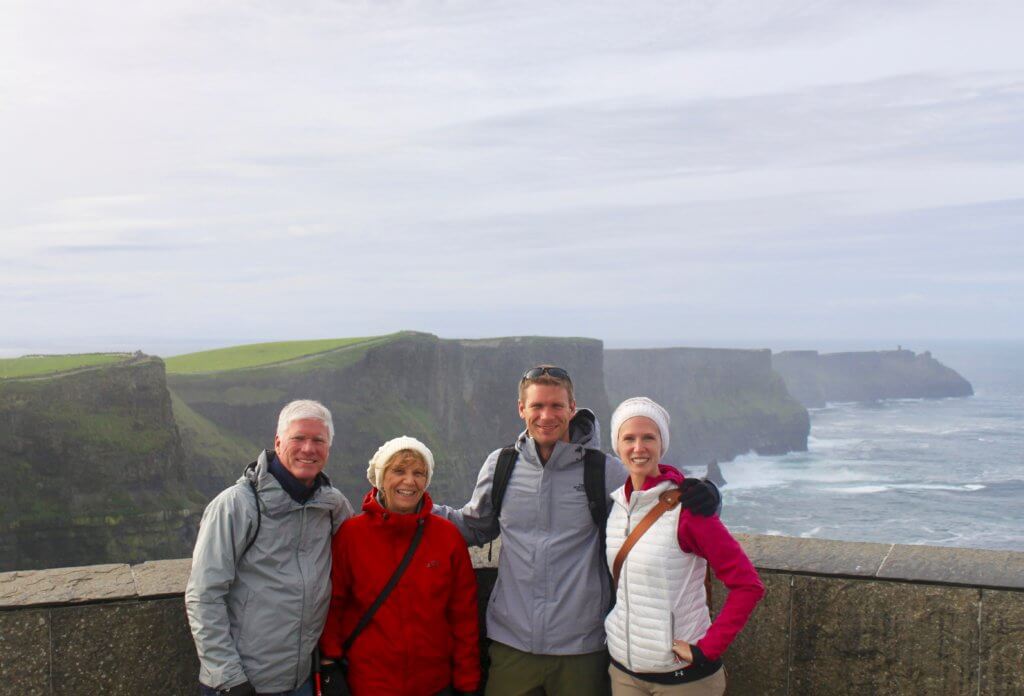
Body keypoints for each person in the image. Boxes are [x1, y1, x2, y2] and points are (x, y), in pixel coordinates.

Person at [433, 366, 721, 696]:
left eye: (556, 406)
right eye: (537, 406)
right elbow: (474, 526)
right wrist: (412, 505)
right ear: (521, 409)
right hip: (512, 642)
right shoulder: (501, 465)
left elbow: (661, 505)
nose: (546, 415)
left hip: (582, 646)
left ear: (572, 408)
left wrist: (708, 495)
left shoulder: (603, 470)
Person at [185, 400, 354, 696]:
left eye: (318, 440)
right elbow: (204, 595)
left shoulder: (332, 506)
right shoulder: (236, 505)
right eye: (298, 438)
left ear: (328, 448)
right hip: (240, 683)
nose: (308, 448)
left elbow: (358, 561)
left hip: (301, 680)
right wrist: (229, 677)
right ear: (278, 442)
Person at [604, 397, 764, 695]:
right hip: (624, 673)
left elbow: (748, 585)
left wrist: (708, 649)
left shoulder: (688, 509)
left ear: (661, 443)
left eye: (648, 437)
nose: (638, 448)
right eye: (629, 438)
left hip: (683, 680)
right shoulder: (615, 508)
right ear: (617, 445)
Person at [319, 436, 481, 696]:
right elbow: (333, 604)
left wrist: (467, 683)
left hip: (434, 686)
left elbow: (463, 617)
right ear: (380, 478)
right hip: (368, 685)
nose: (409, 481)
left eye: (419, 473)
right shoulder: (351, 535)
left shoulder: (447, 538)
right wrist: (330, 665)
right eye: (398, 471)